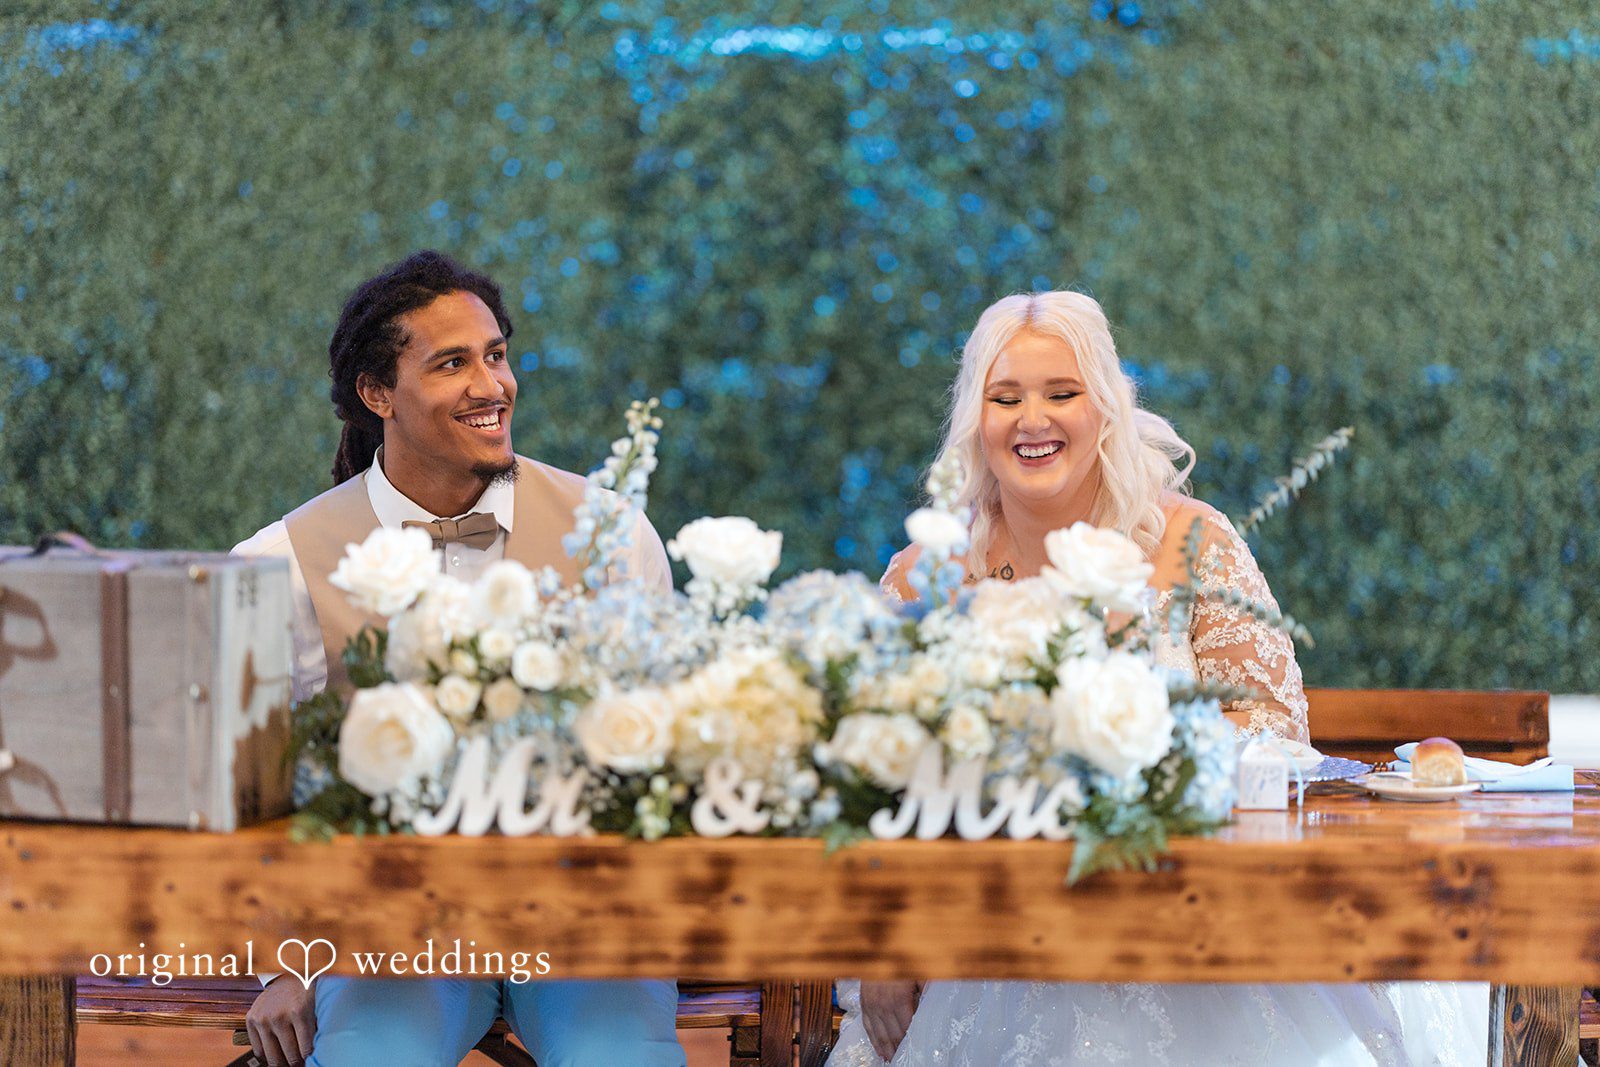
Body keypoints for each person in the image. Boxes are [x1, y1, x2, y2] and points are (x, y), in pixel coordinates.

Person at [828, 291, 1486, 1066]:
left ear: (1105, 405)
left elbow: (1276, 743)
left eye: (1060, 393)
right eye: (1004, 398)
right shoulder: (924, 576)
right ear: (976, 417)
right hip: (988, 945)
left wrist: (1143, 786)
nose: (1031, 420)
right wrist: (885, 946)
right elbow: (866, 787)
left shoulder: (1194, 542)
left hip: (1196, 936)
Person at [233, 250, 684, 1067]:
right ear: (378, 395)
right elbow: (255, 788)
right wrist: (291, 956)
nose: (491, 384)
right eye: (452, 363)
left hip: (587, 919)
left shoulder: (613, 532)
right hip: (389, 931)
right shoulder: (282, 561)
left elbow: (668, 751)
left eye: (496, 355)